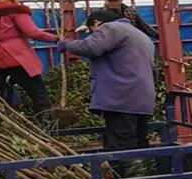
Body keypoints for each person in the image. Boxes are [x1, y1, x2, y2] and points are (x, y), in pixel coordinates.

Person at [56, 10, 155, 164]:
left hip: (122, 97)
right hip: (141, 97)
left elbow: (91, 47)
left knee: (121, 145)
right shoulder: (139, 34)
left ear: (96, 23)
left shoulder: (111, 28)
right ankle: (145, 176)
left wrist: (67, 44)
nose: (93, 34)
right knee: (138, 141)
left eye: (92, 30)